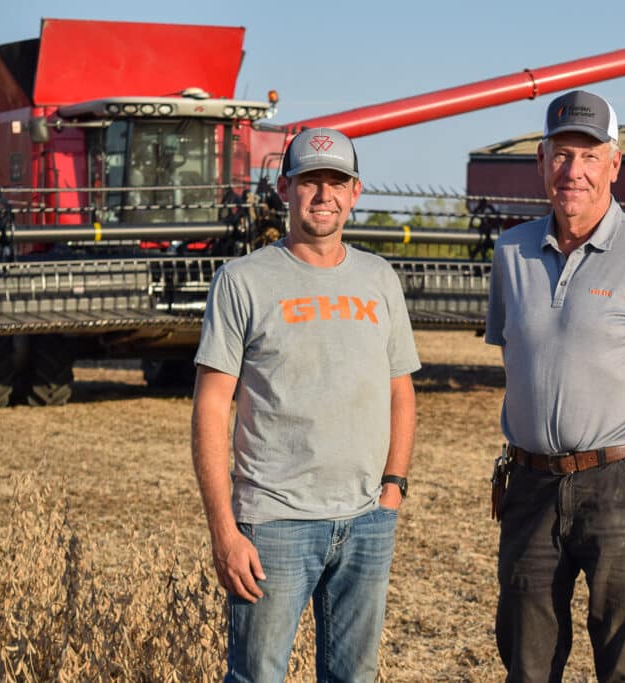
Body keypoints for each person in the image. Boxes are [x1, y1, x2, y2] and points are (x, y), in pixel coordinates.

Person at [485, 91, 625, 682]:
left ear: (615, 164)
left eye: (589, 156)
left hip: (621, 485)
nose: (574, 172)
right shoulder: (510, 252)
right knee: (526, 662)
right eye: (562, 155)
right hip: (530, 486)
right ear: (541, 161)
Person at [191, 127, 420, 682]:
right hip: (274, 523)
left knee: (353, 677)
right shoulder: (243, 280)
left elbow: (400, 391)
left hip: (366, 519)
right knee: (257, 676)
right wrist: (225, 530)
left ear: (355, 191)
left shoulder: (379, 277)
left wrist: (392, 489)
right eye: (311, 182)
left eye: (336, 183)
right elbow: (211, 406)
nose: (324, 195)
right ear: (284, 187)